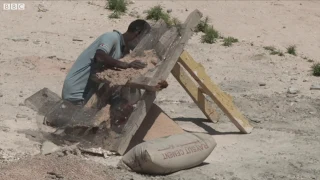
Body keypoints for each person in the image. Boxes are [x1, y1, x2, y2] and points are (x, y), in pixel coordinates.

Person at [61, 19, 151, 106]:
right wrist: (125, 65)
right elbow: (100, 56)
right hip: (76, 93)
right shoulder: (112, 37)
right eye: (144, 39)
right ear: (137, 33)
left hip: (88, 95)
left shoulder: (123, 51)